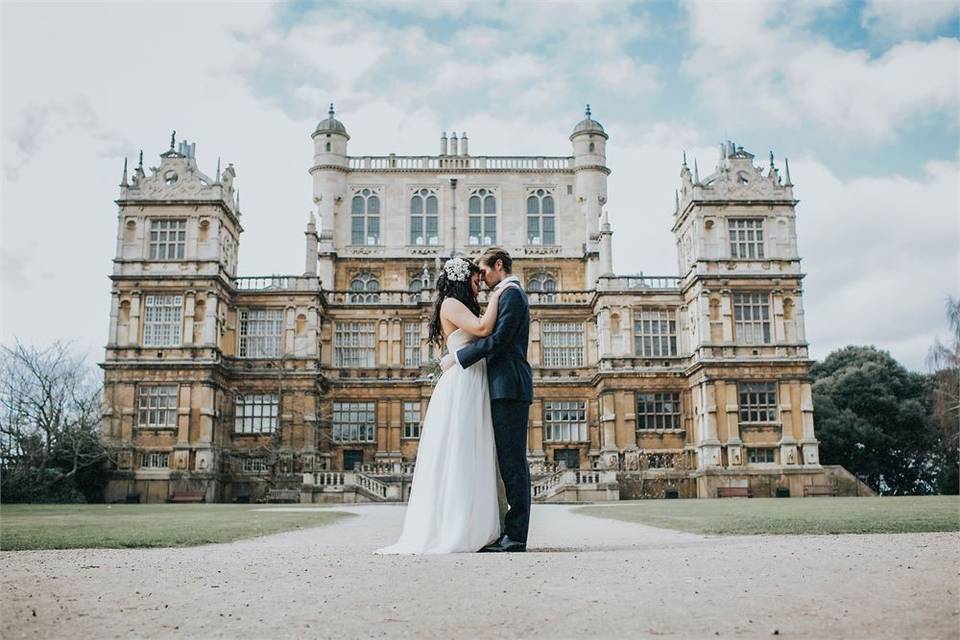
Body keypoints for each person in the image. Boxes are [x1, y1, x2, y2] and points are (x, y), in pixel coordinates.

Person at [374, 256, 514, 554]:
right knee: (462, 450)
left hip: (473, 378)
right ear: (464, 280)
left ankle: (476, 524)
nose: (481, 287)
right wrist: (501, 293)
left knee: (475, 451)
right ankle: (458, 527)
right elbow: (482, 328)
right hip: (463, 383)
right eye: (476, 282)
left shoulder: (459, 304)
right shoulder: (451, 303)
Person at [442, 247, 533, 553]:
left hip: (509, 386)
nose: (480, 279)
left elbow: (497, 340)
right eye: (476, 275)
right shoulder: (505, 295)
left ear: (498, 265)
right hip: (499, 386)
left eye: (483, 271)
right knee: (503, 462)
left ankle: (516, 536)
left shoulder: (511, 294)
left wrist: (457, 358)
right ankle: (506, 532)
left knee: (513, 464)